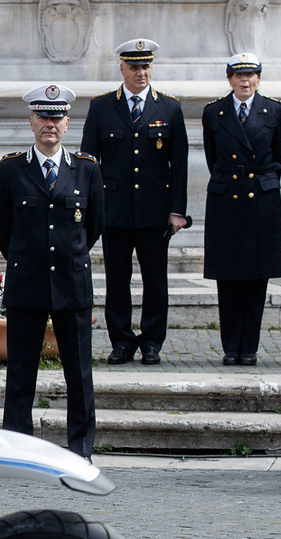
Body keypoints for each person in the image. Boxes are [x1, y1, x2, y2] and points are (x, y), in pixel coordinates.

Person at [0, 84, 104, 459]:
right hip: (27, 282)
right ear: (31, 121)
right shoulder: (10, 169)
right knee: (21, 371)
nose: (49, 125)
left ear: (68, 123)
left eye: (56, 118)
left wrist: (67, 259)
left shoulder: (85, 169)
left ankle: (81, 447)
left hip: (72, 283)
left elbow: (94, 226)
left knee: (79, 373)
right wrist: (25, 257)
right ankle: (17, 446)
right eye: (43, 117)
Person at [80, 38, 189, 366]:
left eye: (146, 66)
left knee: (156, 279)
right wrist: (89, 209)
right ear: (122, 69)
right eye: (135, 67)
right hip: (114, 211)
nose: (141, 73)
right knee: (116, 279)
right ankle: (122, 341)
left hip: (155, 211)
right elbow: (88, 161)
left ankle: (152, 341)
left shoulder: (169, 107)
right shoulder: (102, 107)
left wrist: (177, 210)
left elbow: (179, 163)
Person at [201, 53, 281, 367]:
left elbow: (277, 155)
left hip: (261, 201)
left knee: (256, 277)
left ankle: (249, 346)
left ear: (259, 78)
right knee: (228, 277)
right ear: (229, 80)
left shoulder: (274, 110)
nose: (245, 81)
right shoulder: (214, 112)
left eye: (250, 75)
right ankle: (230, 346)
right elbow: (213, 158)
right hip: (226, 200)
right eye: (238, 76)